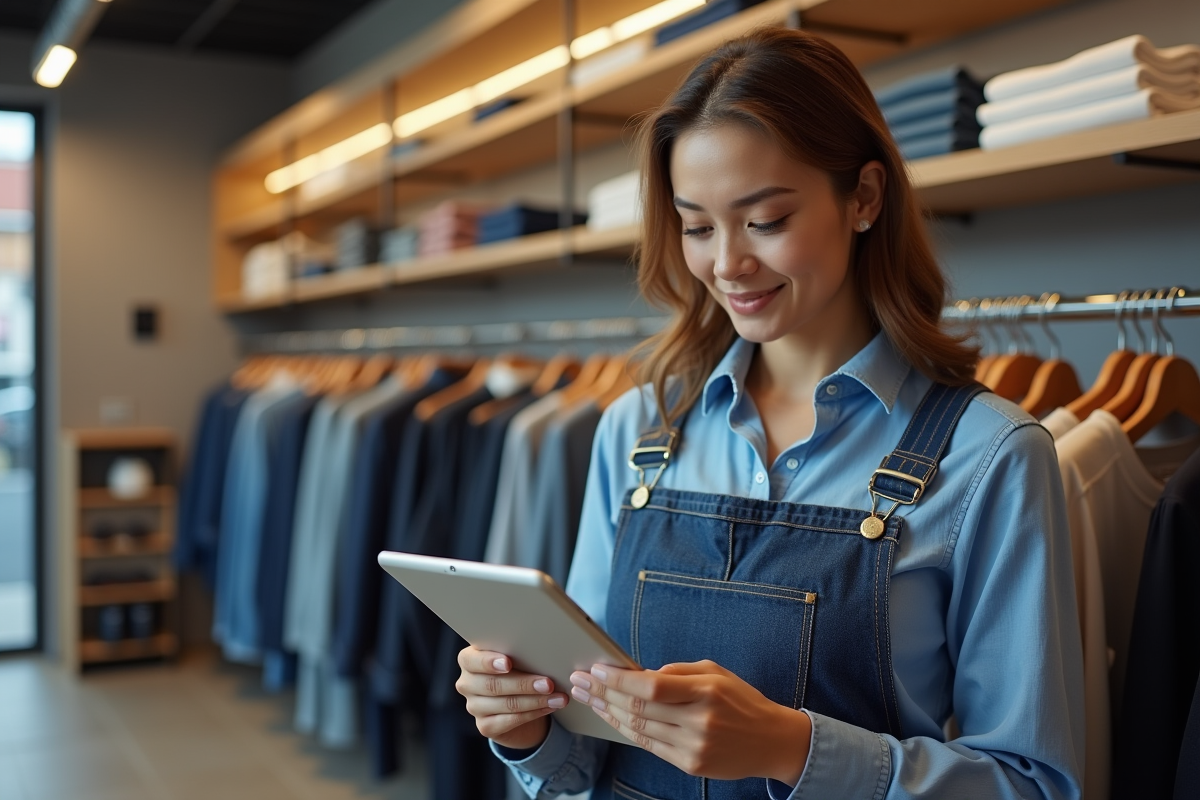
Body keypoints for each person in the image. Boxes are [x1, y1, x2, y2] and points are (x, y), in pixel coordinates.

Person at [456, 26, 1084, 800]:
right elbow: (586, 756)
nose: (727, 264)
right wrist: (530, 732)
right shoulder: (634, 428)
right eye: (696, 227)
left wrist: (793, 747)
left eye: (766, 220)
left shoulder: (992, 456)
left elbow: (1034, 785)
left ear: (863, 197)